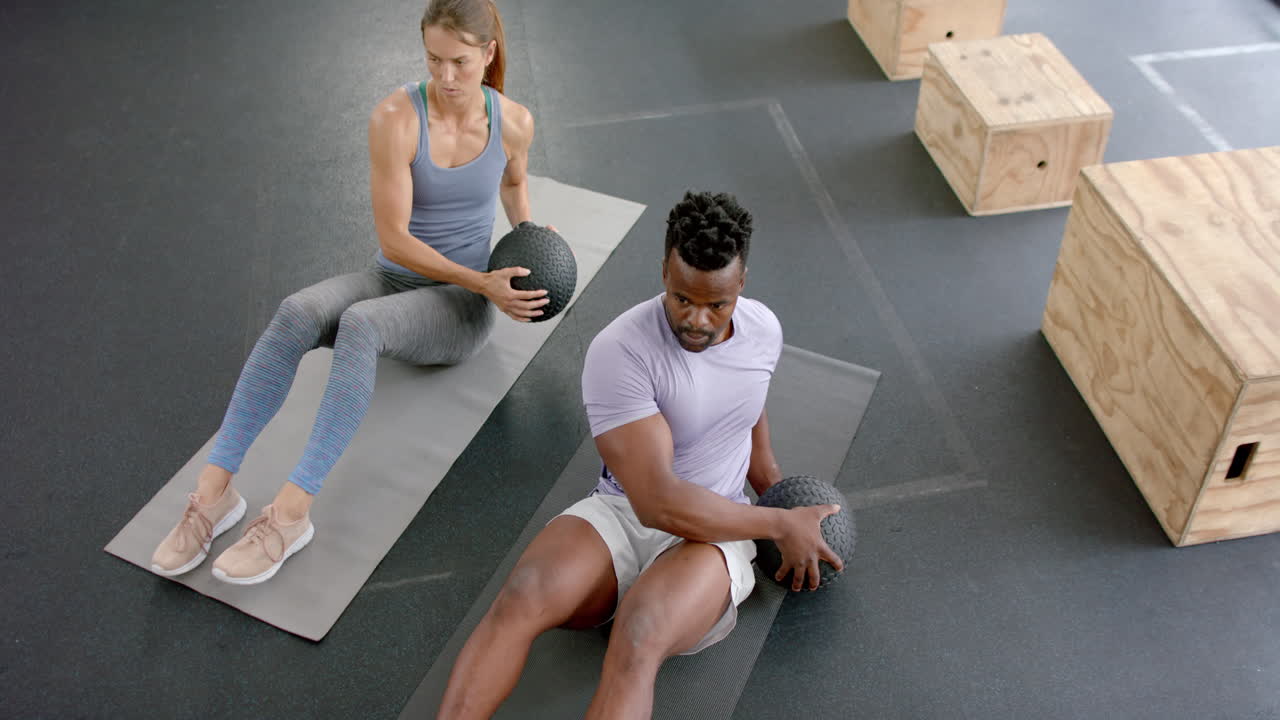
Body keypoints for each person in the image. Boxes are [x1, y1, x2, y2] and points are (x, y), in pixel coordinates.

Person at [151, 0, 548, 585]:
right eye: (433, 60)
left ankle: (290, 515)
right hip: (398, 275)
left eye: (460, 62)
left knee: (362, 325)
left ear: (488, 53)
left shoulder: (514, 121)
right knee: (296, 311)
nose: (445, 77)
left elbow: (514, 184)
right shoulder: (395, 116)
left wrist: (530, 241)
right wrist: (481, 277)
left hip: (460, 308)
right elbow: (394, 238)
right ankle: (214, 494)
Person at [436, 191, 845, 719]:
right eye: (682, 299)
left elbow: (749, 416)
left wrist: (784, 508)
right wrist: (777, 523)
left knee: (639, 631)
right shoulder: (620, 350)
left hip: (714, 532)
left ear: (741, 284)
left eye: (716, 304)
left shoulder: (764, 331)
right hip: (627, 508)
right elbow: (655, 503)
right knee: (522, 593)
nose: (697, 319)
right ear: (663, 273)